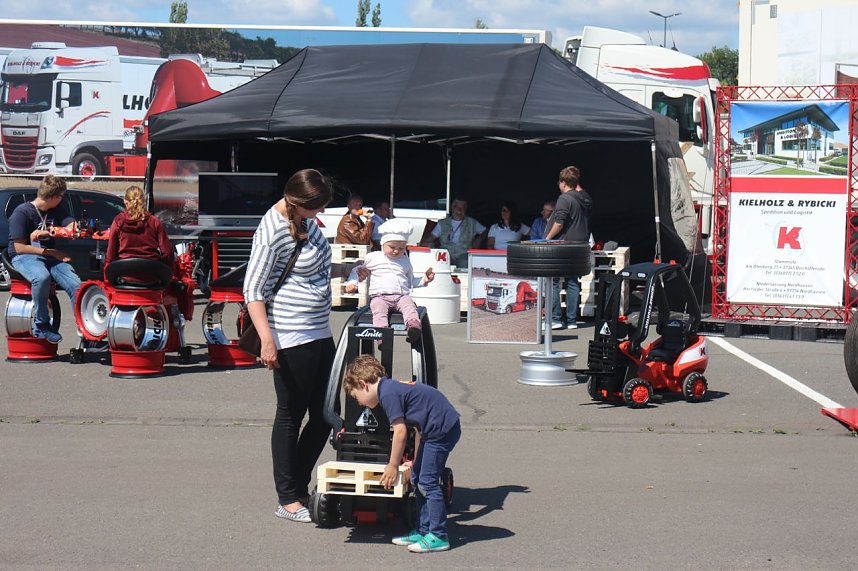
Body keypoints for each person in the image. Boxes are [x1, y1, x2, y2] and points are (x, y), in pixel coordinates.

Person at [243, 168, 334, 524]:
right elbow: (253, 290)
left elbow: (312, 269)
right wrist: (267, 341)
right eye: (317, 208)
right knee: (290, 415)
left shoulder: (304, 221)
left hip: (318, 330)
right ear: (299, 202)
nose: (321, 215)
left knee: (326, 413)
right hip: (290, 334)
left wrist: (349, 269)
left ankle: (298, 484)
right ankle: (287, 497)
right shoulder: (271, 231)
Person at [344, 354, 461, 553]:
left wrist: (392, 465)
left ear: (363, 384)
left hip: (441, 431)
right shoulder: (390, 388)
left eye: (356, 398)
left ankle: (439, 535)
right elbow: (416, 428)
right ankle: (423, 530)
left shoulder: (387, 394)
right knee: (416, 478)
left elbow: (400, 432)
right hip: (430, 431)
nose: (360, 403)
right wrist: (415, 460)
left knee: (428, 482)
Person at [7, 175, 81, 344]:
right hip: (25, 256)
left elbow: (71, 224)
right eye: (61, 196)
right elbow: (19, 248)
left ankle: (85, 329)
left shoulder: (57, 209)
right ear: (54, 197)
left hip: (50, 256)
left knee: (76, 285)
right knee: (41, 278)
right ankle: (42, 323)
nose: (62, 199)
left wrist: (68, 228)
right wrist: (51, 252)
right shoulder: (22, 212)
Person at [344, 219, 435, 344]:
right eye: (392, 247)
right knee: (379, 312)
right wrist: (352, 283)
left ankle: (413, 327)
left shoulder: (405, 261)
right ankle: (381, 336)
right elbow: (357, 270)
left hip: (401, 296)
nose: (396, 251)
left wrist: (425, 279)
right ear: (383, 244)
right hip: (380, 296)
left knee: (409, 306)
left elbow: (409, 281)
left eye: (401, 248)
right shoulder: (374, 257)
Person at [544, 166, 593, 330]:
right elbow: (581, 191)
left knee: (554, 281)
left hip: (564, 245)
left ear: (563, 182)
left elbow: (559, 223)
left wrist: (547, 239)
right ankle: (571, 320)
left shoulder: (564, 199)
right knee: (573, 281)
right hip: (580, 244)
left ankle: (556, 318)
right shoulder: (584, 198)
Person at [105, 186, 174, 268]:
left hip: (125, 272)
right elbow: (167, 252)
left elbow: (111, 254)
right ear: (143, 201)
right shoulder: (154, 221)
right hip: (151, 272)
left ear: (125, 201)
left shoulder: (118, 221)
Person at [422, 198, 485, 268]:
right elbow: (430, 238)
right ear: (452, 208)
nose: (459, 210)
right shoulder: (442, 223)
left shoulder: (472, 222)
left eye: (462, 208)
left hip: (463, 254)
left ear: (465, 210)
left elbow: (486, 231)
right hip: (446, 254)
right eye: (457, 207)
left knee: (465, 262)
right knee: (440, 261)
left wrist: (479, 238)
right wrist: (426, 242)